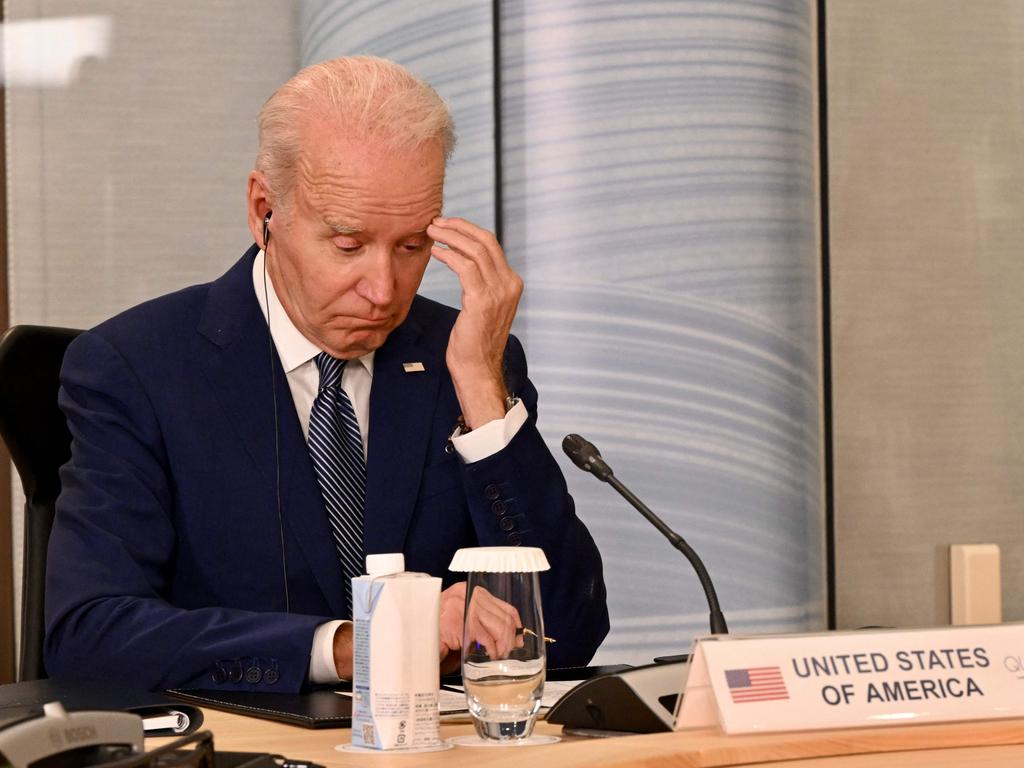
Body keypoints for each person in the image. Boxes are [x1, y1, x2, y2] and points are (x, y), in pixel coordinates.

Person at [43, 56, 608, 692]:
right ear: (264, 210)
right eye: (347, 244)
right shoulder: (136, 368)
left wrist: (481, 388)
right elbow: (91, 635)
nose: (383, 289)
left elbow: (568, 631)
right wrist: (357, 645)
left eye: (413, 246)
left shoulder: (467, 354)